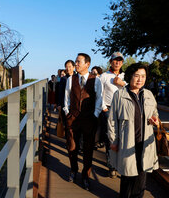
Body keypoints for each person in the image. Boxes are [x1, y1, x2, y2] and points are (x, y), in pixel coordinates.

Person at [108, 63, 159, 198]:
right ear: (130, 76)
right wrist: (114, 140)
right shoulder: (120, 95)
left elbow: (155, 113)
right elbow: (112, 120)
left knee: (141, 181)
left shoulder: (149, 95)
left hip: (144, 144)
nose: (140, 79)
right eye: (137, 76)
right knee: (127, 178)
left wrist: (155, 119)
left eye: (143, 76)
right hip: (127, 143)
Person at [63, 53, 102, 190]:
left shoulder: (96, 80)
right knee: (72, 147)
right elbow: (67, 96)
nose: (76, 64)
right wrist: (67, 112)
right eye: (76, 62)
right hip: (72, 118)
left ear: (87, 64)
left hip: (89, 119)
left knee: (88, 149)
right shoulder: (71, 79)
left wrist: (95, 114)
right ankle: (73, 169)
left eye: (78, 62)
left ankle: (86, 175)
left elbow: (99, 99)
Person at [99, 52, 126, 178]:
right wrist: (104, 107)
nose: (117, 63)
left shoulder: (126, 76)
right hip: (109, 109)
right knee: (110, 138)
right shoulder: (104, 76)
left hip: (124, 110)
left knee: (123, 138)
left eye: (120, 60)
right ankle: (112, 166)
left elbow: (134, 90)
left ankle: (121, 164)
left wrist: (122, 84)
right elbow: (99, 93)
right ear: (111, 61)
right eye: (115, 60)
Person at [57, 61, 75, 139]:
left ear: (74, 67)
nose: (68, 68)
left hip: (75, 105)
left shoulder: (78, 78)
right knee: (67, 125)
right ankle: (69, 142)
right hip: (66, 105)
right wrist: (59, 104)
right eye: (66, 67)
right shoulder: (63, 79)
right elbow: (60, 93)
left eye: (70, 66)